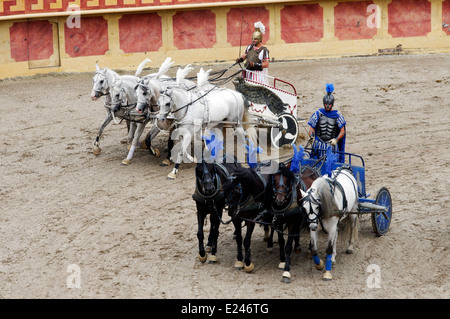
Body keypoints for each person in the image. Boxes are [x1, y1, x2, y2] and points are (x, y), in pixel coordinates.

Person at [307, 83, 346, 162]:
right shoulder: (318, 113)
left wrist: (336, 140)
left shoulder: (338, 115)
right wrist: (311, 136)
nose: (327, 106)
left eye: (329, 104)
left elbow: (342, 131)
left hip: (331, 146)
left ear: (332, 104)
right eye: (326, 104)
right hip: (319, 145)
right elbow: (312, 128)